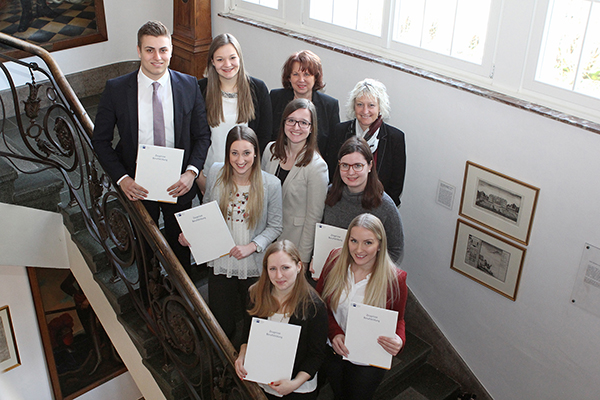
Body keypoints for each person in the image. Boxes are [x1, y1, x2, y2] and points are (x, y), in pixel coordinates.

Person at [92, 21, 211, 276]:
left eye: (163, 50)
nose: (157, 57)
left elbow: (202, 135)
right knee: (144, 248)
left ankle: (182, 304)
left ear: (171, 51)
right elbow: (100, 141)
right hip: (136, 184)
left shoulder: (189, 85)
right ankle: (150, 298)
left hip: (179, 183)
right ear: (138, 51)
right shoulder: (116, 89)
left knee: (180, 246)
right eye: (150, 50)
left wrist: (191, 173)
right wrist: (122, 179)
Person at [180, 126, 282, 339]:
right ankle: (225, 366)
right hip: (220, 262)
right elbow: (206, 208)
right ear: (227, 153)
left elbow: (275, 226)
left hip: (253, 265)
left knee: (254, 324)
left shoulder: (271, 184)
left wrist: (252, 246)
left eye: (246, 153)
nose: (240, 159)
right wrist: (191, 233)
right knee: (221, 323)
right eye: (234, 153)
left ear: (255, 152)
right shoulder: (216, 172)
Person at [316, 213, 407, 400]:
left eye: (368, 243)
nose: (359, 249)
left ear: (380, 244)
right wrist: (334, 333)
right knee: (338, 393)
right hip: (334, 350)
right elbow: (319, 305)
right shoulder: (334, 260)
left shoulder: (395, 279)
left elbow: (399, 319)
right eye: (354, 241)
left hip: (368, 359)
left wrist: (399, 340)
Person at [235, 240, 328, 399]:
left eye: (285, 267)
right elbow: (247, 335)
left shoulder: (314, 306)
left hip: (298, 388)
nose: (279, 276)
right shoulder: (255, 294)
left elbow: (317, 355)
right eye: (272, 269)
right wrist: (242, 355)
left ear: (299, 267)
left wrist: (294, 384)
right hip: (261, 383)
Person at [197, 33, 272, 192]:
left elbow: (264, 135)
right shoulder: (200, 89)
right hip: (209, 173)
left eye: (232, 58)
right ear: (212, 62)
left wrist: (252, 172)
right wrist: (198, 176)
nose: (227, 64)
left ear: (240, 58)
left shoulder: (258, 89)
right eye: (220, 59)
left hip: (246, 174)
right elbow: (193, 135)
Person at [262, 98, 328, 267]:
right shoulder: (270, 151)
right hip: (264, 238)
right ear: (284, 123)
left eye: (303, 123)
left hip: (293, 242)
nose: (296, 127)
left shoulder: (317, 166)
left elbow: (314, 217)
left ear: (311, 128)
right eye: (291, 120)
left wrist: (303, 258)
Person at [322, 137, 404, 264]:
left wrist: (372, 273)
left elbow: (395, 249)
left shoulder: (385, 205)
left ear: (370, 166)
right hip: (331, 271)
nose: (350, 172)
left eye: (357, 166)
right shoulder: (328, 194)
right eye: (345, 165)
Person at [325, 78, 406, 206]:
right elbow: (331, 174)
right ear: (354, 106)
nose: (365, 111)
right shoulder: (339, 131)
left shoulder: (395, 138)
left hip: (377, 208)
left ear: (380, 107)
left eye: (371, 105)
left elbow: (395, 187)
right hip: (341, 204)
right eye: (360, 104)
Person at [270, 50, 339, 155]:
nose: (301, 80)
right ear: (289, 77)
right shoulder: (275, 98)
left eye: (307, 74)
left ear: (315, 77)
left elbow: (333, 147)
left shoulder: (330, 105)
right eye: (295, 74)